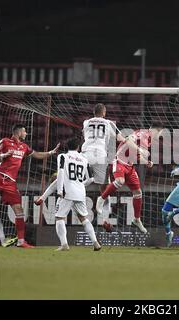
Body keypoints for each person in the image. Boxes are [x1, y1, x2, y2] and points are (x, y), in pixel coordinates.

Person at [34, 103, 143, 233]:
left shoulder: (86, 122)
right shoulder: (109, 123)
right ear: (104, 112)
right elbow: (121, 139)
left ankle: (43, 197)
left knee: (67, 177)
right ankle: (105, 219)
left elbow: (85, 134)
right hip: (100, 157)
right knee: (105, 190)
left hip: (86, 154)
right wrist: (134, 145)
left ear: (93, 113)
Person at [0, 124, 59, 248]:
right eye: (24, 131)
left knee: (19, 211)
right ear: (19, 132)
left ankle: (21, 241)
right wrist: (3, 156)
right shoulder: (5, 141)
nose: (26, 134)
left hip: (10, 183)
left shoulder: (24, 147)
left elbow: (37, 155)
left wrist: (51, 152)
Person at [95, 122, 164, 234]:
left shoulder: (148, 140)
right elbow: (128, 140)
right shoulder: (143, 135)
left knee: (138, 193)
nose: (159, 136)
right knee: (120, 181)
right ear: (155, 130)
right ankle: (101, 199)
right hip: (120, 162)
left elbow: (138, 156)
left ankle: (136, 219)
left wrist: (147, 162)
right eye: (160, 133)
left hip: (129, 166)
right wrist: (140, 150)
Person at [54, 138, 102, 251]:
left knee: (59, 217)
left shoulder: (62, 157)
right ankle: (95, 243)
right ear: (78, 147)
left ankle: (64, 244)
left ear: (67, 147)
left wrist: (60, 190)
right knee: (83, 218)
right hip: (80, 192)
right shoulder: (84, 159)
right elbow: (91, 178)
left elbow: (60, 173)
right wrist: (80, 185)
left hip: (67, 191)